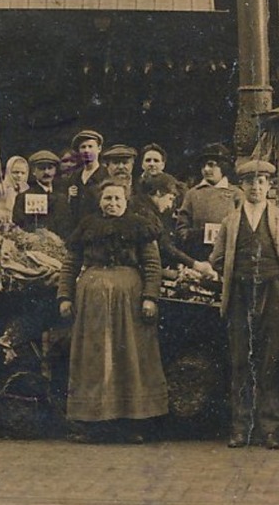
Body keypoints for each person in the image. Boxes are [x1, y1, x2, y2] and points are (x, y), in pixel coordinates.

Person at [201, 159, 279, 450]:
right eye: (250, 182)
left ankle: (269, 428)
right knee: (239, 361)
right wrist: (218, 275)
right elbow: (217, 259)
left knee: (269, 361)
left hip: (273, 295)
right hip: (240, 296)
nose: (256, 187)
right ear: (242, 186)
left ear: (269, 186)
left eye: (261, 182)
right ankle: (240, 428)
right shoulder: (231, 221)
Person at [57, 179, 168, 443]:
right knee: (94, 357)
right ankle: (94, 425)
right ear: (100, 202)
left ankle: (131, 424)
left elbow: (153, 266)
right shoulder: (88, 226)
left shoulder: (140, 227)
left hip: (129, 302)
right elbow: (70, 265)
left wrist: (150, 298)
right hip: (92, 303)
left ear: (126, 201)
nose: (113, 204)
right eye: (108, 199)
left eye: (118, 199)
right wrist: (64, 297)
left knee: (128, 356)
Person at [176, 142, 240, 259]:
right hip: (198, 255)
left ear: (223, 166)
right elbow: (181, 227)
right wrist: (196, 235)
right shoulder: (193, 193)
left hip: (228, 255)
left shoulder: (236, 194)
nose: (206, 169)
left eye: (211, 165)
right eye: (203, 165)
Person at [139, 171, 200, 268]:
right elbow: (165, 246)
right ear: (159, 192)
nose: (169, 205)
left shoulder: (148, 209)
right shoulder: (147, 214)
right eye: (170, 199)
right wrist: (195, 264)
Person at [59, 128, 110, 233]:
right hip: (78, 230)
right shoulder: (75, 176)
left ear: (99, 149)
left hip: (100, 230)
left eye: (90, 146)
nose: (86, 150)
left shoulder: (106, 175)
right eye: (83, 147)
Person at [13, 149, 67, 236]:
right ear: (34, 171)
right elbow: (20, 226)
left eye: (50, 168)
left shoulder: (62, 197)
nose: (46, 172)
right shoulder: (24, 197)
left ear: (55, 171)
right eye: (42, 168)